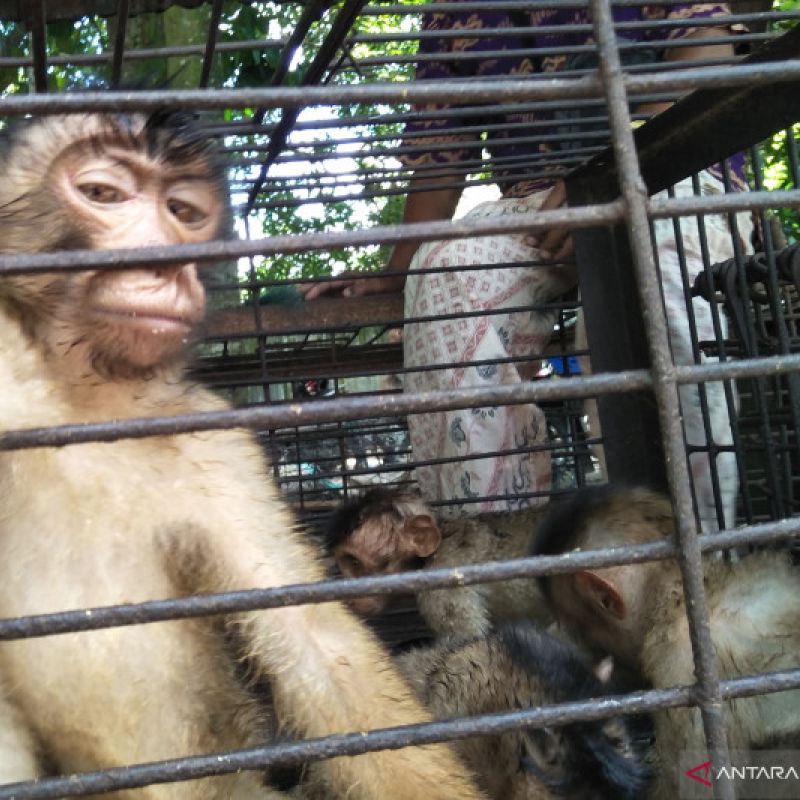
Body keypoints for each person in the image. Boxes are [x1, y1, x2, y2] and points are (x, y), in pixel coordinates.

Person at [305, 4, 748, 529]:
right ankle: (503, 560)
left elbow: (704, 59)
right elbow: (442, 152)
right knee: (443, 268)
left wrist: (608, 176)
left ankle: (693, 552)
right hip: (534, 204)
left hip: (671, 166)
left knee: (649, 284)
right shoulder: (448, 15)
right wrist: (396, 269)